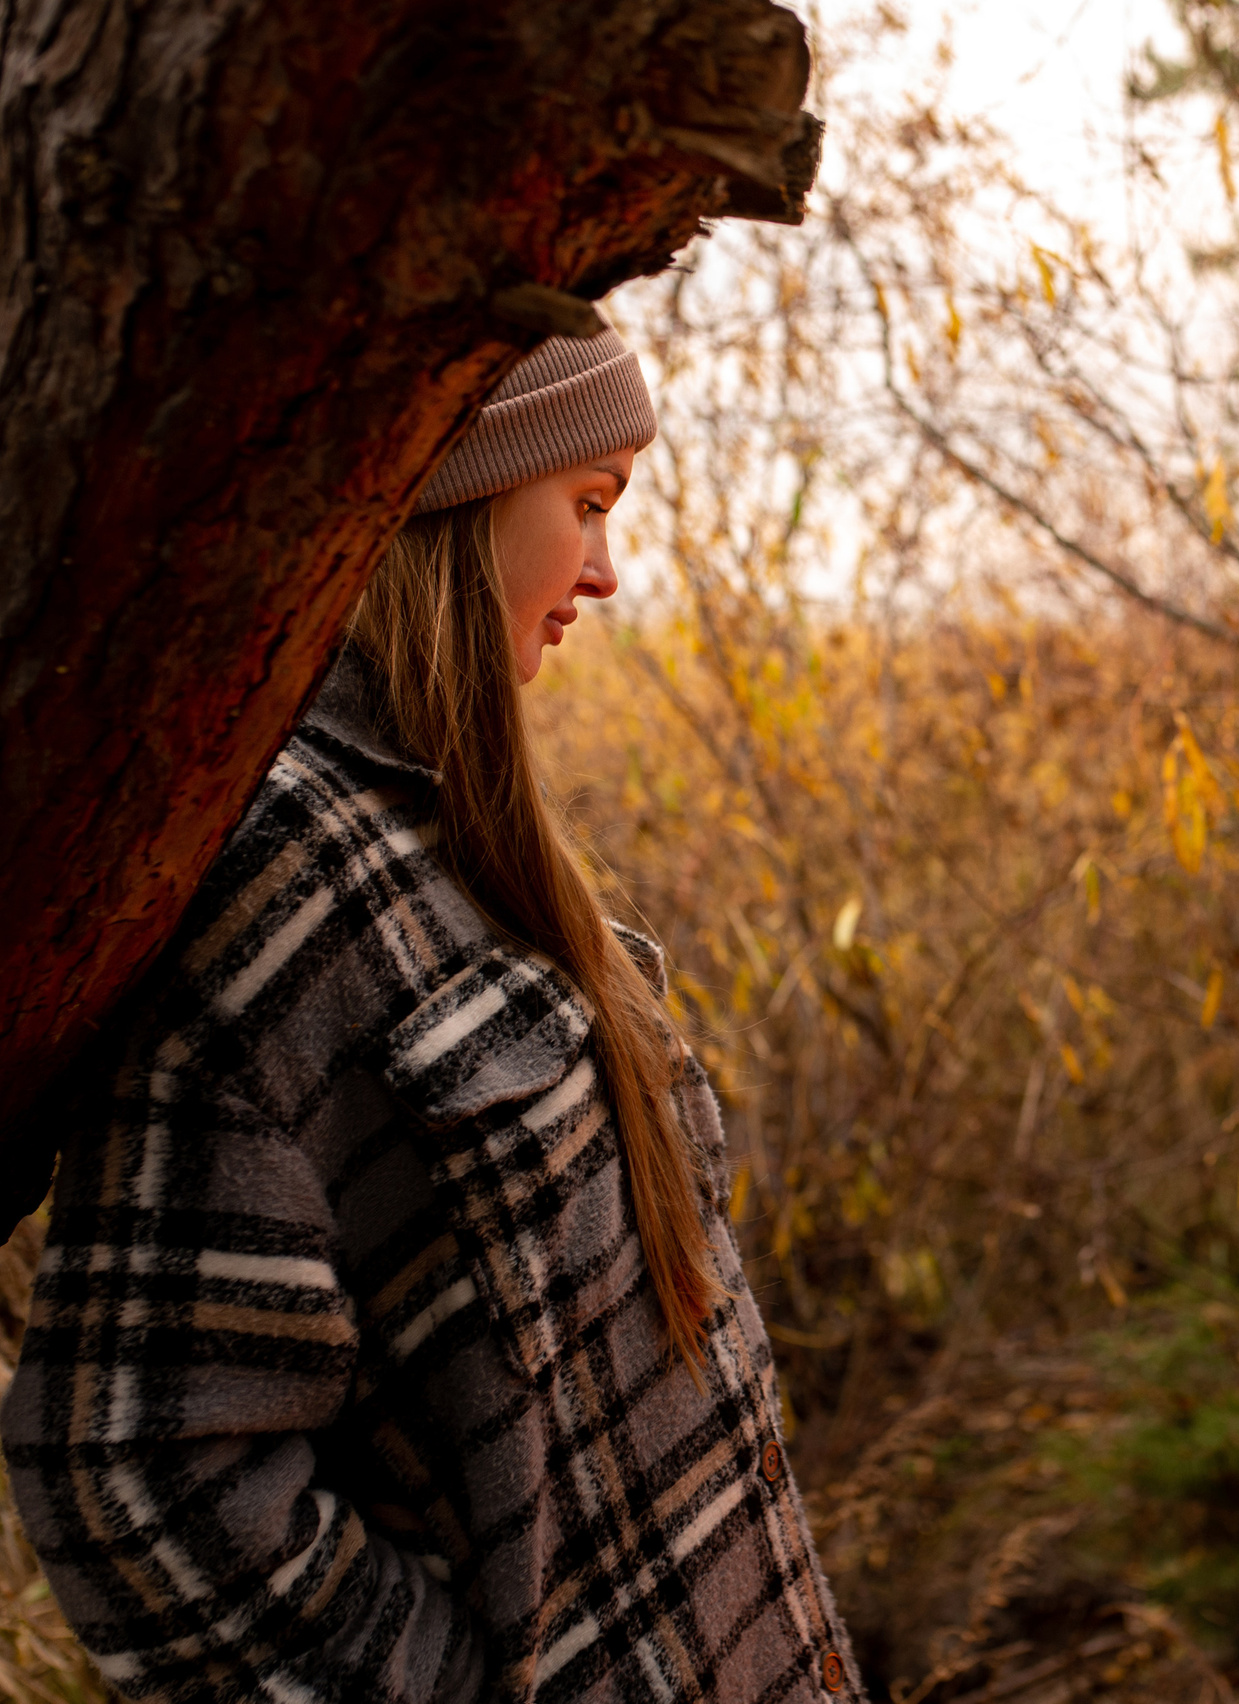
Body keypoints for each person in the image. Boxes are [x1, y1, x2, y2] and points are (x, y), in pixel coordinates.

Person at [1, 329, 861, 1703]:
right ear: (453, 490)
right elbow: (137, 1477)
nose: (605, 571)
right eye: (587, 503)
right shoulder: (290, 863)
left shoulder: (454, 837)